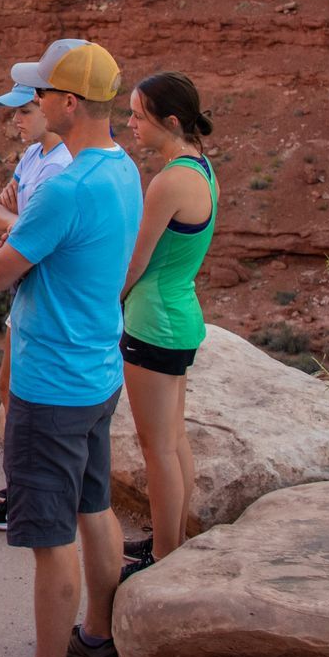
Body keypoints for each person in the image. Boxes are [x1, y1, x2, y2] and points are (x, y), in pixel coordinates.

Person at [0, 40, 142, 657]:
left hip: (50, 385)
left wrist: (1, 246)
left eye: (42, 92)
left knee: (50, 543)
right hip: (98, 370)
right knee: (93, 508)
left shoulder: (65, 189)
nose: (36, 102)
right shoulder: (124, 169)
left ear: (69, 103)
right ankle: (98, 638)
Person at [118, 72, 218, 578]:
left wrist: (108, 303)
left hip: (153, 322)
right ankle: (169, 540)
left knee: (156, 448)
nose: (131, 123)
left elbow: (136, 263)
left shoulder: (169, 180)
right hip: (178, 315)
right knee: (173, 440)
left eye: (138, 115)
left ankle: (163, 557)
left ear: (170, 121)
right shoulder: (201, 170)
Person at [0, 86, 71, 532]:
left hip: (43, 286)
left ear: (50, 109)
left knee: (31, 395)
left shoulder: (61, 166)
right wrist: (21, 226)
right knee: (9, 386)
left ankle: (28, 497)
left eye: (25, 110)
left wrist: (18, 229)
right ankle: (18, 489)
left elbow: (28, 228)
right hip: (25, 288)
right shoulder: (32, 159)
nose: (16, 119)